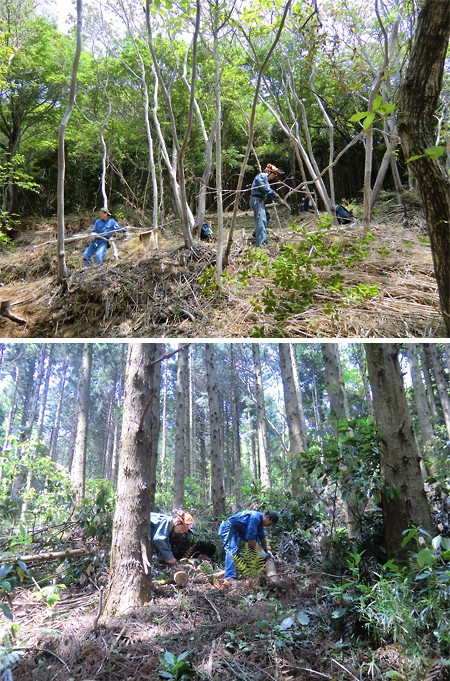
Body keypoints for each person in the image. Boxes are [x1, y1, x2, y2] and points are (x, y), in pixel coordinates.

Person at [218, 509, 278, 583]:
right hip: (229, 527)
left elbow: (262, 538)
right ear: (267, 517)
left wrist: (267, 554)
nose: (269, 526)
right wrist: (260, 551)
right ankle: (229, 577)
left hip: (238, 530)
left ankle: (257, 569)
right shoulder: (255, 517)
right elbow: (250, 539)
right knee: (231, 550)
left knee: (257, 541)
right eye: (270, 523)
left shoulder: (259, 521)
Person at [249, 163, 284, 247]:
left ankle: (256, 234)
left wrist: (276, 199)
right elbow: (265, 188)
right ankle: (261, 244)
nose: (274, 176)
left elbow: (267, 193)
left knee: (267, 218)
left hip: (260, 200)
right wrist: (274, 194)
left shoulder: (265, 180)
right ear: (269, 172)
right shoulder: (262, 176)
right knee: (261, 220)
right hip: (256, 200)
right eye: (274, 174)